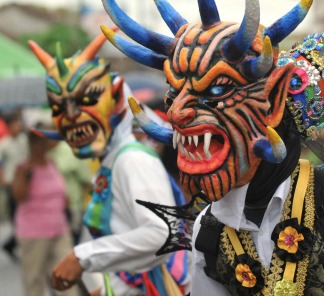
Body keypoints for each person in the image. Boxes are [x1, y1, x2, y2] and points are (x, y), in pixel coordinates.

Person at [102, 0, 324, 294]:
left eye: (217, 89)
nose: (177, 112)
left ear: (272, 100)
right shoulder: (208, 231)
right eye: (175, 92)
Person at [29, 31, 188, 295]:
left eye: (87, 101)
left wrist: (82, 257)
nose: (70, 116)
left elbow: (162, 233)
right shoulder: (113, 161)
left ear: (115, 100)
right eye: (59, 107)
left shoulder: (132, 160)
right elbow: (129, 242)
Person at [12, 126, 79, 296]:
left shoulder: (51, 163)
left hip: (59, 228)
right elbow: (19, 196)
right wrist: (26, 177)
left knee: (67, 277)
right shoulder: (23, 168)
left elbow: (60, 191)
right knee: (34, 280)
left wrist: (64, 201)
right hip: (34, 233)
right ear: (34, 144)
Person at [0, 111, 28, 261]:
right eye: (14, 124)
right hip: (11, 185)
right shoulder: (4, 144)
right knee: (16, 218)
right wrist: (3, 178)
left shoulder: (24, 140)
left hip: (26, 183)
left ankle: (14, 245)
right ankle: (13, 245)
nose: (17, 127)